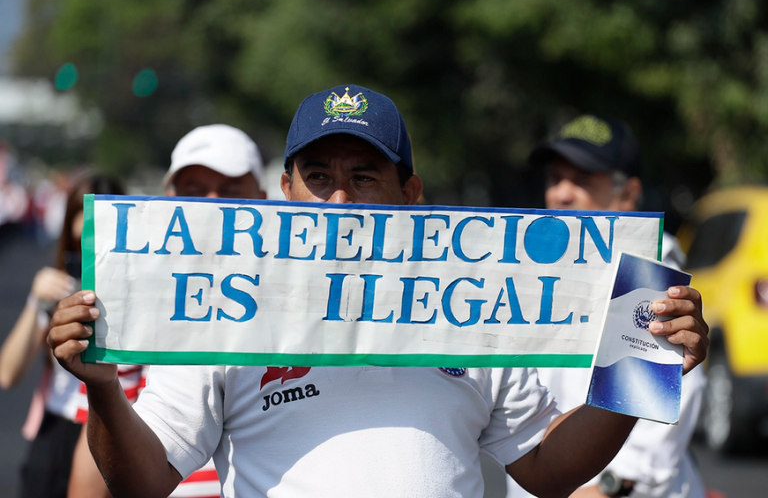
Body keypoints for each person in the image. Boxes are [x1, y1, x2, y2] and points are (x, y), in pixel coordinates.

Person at [47, 86, 709, 498]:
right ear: (286, 191)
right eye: (318, 176)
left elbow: (548, 470)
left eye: (365, 177)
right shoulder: (225, 312)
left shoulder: (478, 306)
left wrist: (643, 370)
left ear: (410, 193)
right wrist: (102, 388)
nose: (340, 201)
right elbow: (145, 480)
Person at [504, 114, 707, 498]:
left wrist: (608, 488)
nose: (561, 193)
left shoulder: (653, 275)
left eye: (581, 180)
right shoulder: (531, 269)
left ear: (628, 195)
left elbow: (650, 451)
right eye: (554, 178)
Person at [66, 124, 267, 498]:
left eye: (230, 190)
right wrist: (101, 384)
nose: (212, 203)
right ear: (168, 198)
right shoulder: (127, 313)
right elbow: (92, 486)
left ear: (267, 197)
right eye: (193, 190)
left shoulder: (294, 315)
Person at [0, 173, 127, 498]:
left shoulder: (138, 292)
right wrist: (37, 301)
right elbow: (7, 374)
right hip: (59, 428)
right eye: (85, 224)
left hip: (117, 430)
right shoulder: (59, 285)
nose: (95, 237)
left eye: (107, 224)